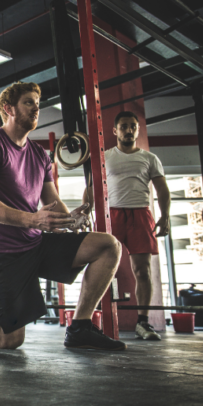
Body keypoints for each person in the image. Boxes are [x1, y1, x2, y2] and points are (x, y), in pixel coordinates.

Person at [0, 81, 125, 350]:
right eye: (28, 102)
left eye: (38, 104)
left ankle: (80, 327)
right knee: (8, 340)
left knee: (108, 245)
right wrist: (33, 220)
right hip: (2, 252)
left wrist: (71, 220)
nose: (36, 109)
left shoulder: (39, 154)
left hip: (35, 244)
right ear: (8, 109)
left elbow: (52, 203)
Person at [82, 111, 170, 341]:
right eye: (124, 126)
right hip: (111, 215)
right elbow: (91, 188)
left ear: (137, 130)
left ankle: (143, 322)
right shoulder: (105, 156)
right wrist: (84, 212)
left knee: (142, 271)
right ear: (115, 130)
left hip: (140, 214)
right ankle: (90, 319)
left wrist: (165, 216)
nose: (129, 130)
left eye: (133, 126)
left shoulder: (150, 158)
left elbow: (162, 189)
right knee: (100, 268)